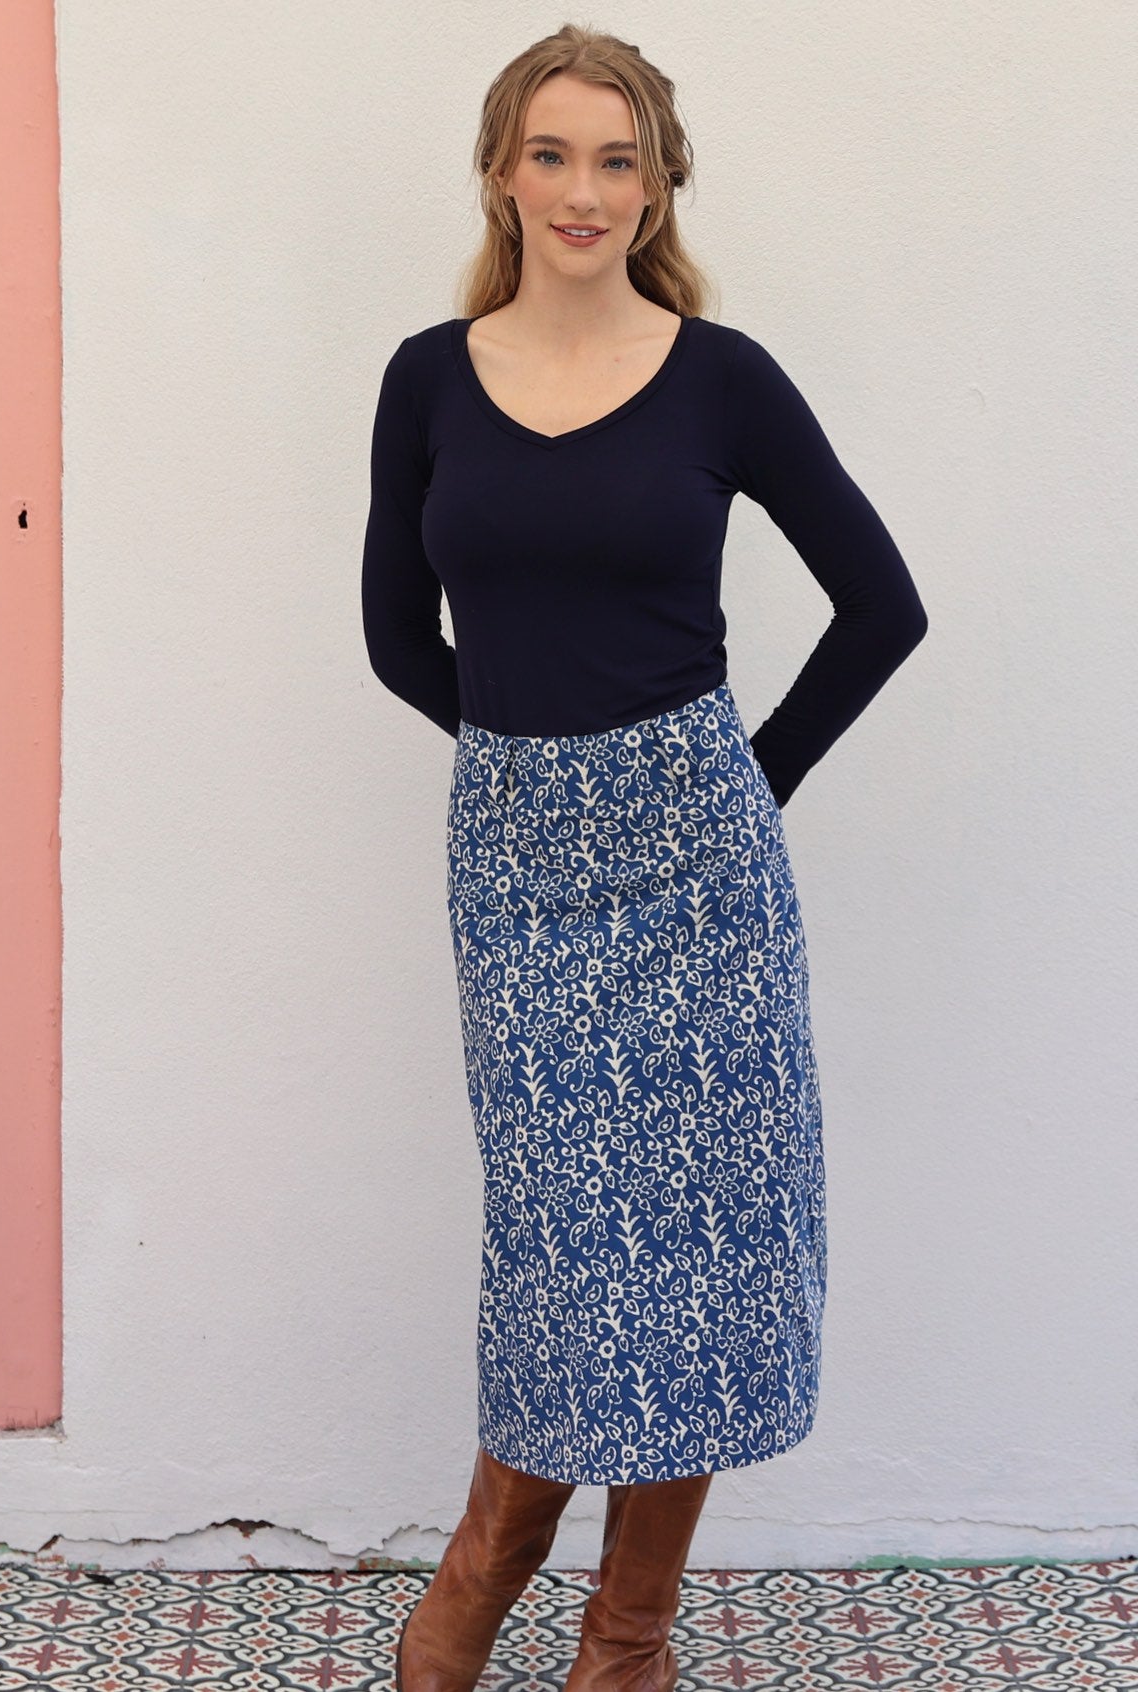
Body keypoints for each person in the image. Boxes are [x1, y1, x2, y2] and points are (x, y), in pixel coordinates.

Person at [361, 23, 928, 1692]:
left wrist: (733, 787)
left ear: (660, 178)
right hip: (518, 862)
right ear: (500, 169)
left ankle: (631, 1635)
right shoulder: (426, 375)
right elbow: (401, 640)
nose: (584, 190)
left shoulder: (724, 377)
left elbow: (881, 606)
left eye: (620, 158)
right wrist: (538, 765)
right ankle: (488, 1569)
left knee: (691, 1250)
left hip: (704, 880)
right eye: (552, 154)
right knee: (559, 1247)